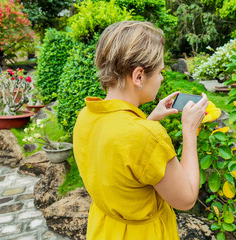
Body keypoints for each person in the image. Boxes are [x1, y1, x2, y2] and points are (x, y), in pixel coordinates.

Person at [73, 21, 208, 240]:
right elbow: (186, 199)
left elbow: (122, 153)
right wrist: (189, 130)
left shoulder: (86, 116)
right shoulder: (145, 136)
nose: (162, 78)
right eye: (160, 72)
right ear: (138, 76)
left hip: (104, 229)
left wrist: (151, 118)